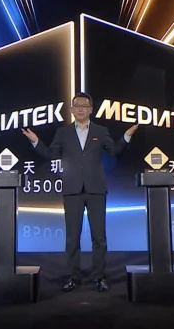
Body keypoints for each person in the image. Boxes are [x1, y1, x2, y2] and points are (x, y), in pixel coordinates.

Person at [21, 92, 138, 292]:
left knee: (99, 237)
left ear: (91, 109)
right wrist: (35, 141)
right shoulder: (63, 132)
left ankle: (99, 277)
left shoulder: (101, 131)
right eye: (77, 105)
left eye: (85, 106)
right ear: (72, 109)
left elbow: (115, 151)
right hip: (72, 190)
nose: (81, 109)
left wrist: (126, 137)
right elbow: (51, 154)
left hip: (96, 190)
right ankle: (74, 277)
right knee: (72, 238)